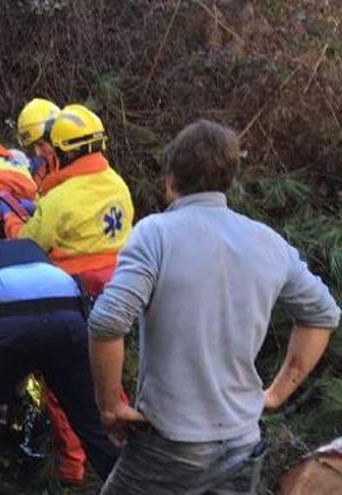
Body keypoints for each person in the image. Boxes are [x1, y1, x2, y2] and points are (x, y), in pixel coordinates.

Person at [88, 119, 341, 494]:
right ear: (229, 179)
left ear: (170, 179)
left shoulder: (155, 233)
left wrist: (110, 406)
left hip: (169, 445)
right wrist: (276, 393)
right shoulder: (268, 241)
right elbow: (323, 314)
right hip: (242, 440)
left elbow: (108, 320)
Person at [0, 231, 119, 494]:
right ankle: (129, 482)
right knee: (88, 415)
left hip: (4, 327)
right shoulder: (29, 255)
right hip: (69, 321)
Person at [2, 103, 134, 296]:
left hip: (71, 290)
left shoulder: (59, 198)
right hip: (121, 284)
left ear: (67, 151)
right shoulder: (119, 185)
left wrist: (10, 219)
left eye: (41, 145)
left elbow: (27, 245)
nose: (39, 153)